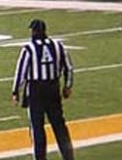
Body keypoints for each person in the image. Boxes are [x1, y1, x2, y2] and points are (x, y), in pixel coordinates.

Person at [11, 19, 75, 160]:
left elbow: (21, 72)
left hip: (36, 90)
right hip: (53, 88)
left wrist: (15, 91)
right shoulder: (58, 46)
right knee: (59, 126)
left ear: (33, 32)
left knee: (37, 128)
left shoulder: (29, 49)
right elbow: (68, 67)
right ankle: (68, 157)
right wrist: (67, 86)